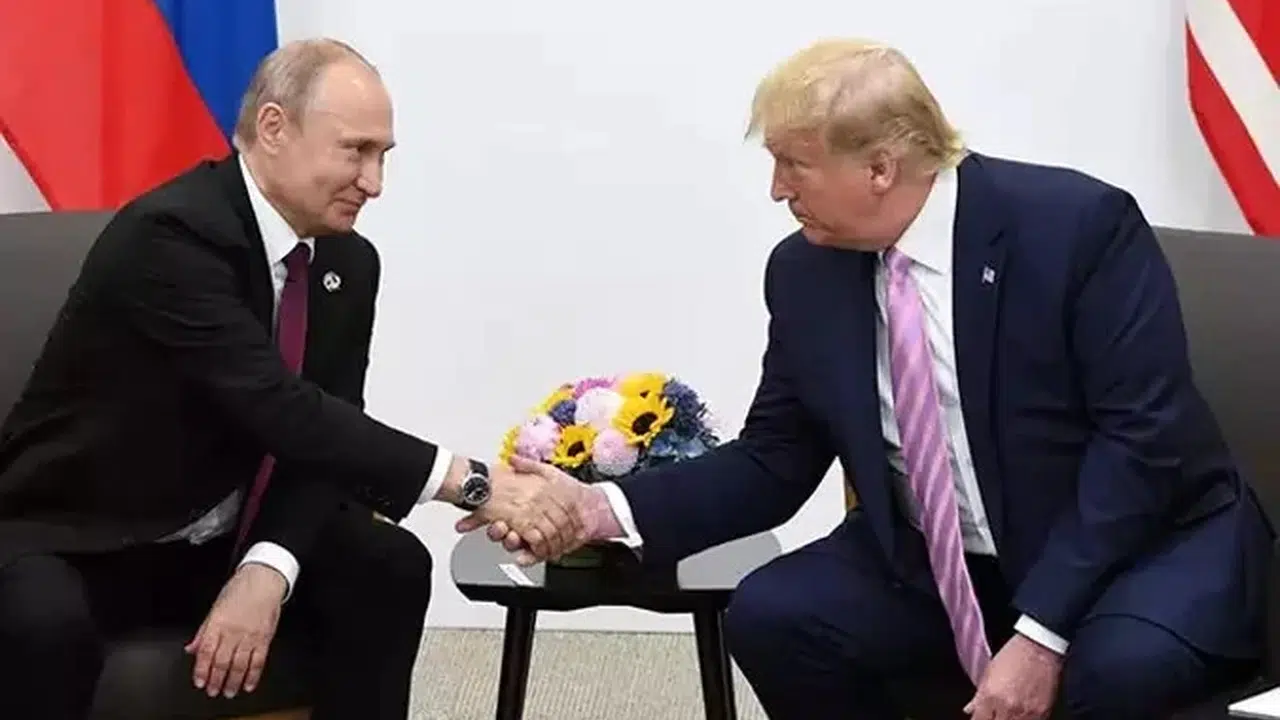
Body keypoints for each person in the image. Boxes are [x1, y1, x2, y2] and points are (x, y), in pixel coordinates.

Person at [463, 38, 1276, 719]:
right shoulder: (806, 273)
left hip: (1136, 548)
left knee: (1114, 673)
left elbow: (1141, 447)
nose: (777, 190)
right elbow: (774, 458)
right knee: (776, 616)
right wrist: (600, 509)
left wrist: (1040, 634)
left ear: (881, 167)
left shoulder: (1076, 229)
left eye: (793, 165)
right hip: (946, 560)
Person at [0, 38, 554, 720]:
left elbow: (327, 431)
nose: (374, 182)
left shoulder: (347, 262)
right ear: (273, 128)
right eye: (355, 151)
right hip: (79, 538)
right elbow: (280, 407)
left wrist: (268, 566)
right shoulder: (170, 236)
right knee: (42, 623)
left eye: (383, 156)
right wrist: (473, 482)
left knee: (387, 567)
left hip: (218, 536)